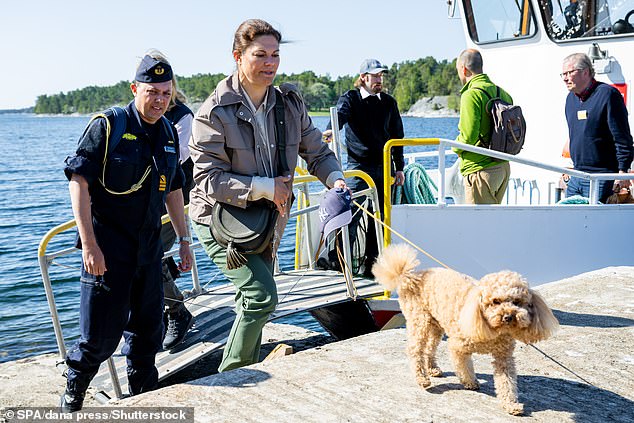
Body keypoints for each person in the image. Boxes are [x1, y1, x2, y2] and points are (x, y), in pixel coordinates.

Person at [189, 19, 348, 372]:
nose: (270, 63)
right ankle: (230, 377)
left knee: (252, 298)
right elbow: (206, 179)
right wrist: (266, 187)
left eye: (275, 54)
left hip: (266, 222)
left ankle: (246, 366)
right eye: (260, 54)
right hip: (219, 221)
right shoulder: (213, 111)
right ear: (238, 56)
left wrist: (335, 180)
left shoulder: (288, 103)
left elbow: (317, 152)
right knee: (261, 296)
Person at [61, 52, 193, 412]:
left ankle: (145, 398)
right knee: (99, 339)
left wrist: (184, 239)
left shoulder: (167, 132)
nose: (160, 100)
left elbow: (175, 189)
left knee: (147, 334)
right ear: (135, 88)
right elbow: (79, 183)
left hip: (148, 250)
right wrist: (88, 244)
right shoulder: (108, 126)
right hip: (107, 251)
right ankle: (73, 394)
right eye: (153, 92)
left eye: (166, 94)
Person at [323, 58, 404, 276]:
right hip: (359, 168)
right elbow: (340, 115)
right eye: (375, 76)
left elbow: (397, 135)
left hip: (384, 167)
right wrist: (331, 130)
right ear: (363, 78)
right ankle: (336, 262)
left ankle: (373, 266)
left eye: (381, 76)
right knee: (350, 214)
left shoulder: (389, 102)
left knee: (378, 219)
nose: (379, 80)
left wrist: (399, 167)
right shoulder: (351, 98)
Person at [561, 53, 633, 203]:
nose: (565, 78)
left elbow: (622, 137)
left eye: (569, 73)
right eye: (563, 74)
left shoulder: (608, 95)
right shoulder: (570, 99)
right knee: (571, 222)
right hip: (576, 176)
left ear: (585, 72)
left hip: (601, 177)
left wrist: (622, 173)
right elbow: (575, 135)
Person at [159, 72, 195, 351]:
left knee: (151, 258)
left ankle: (177, 312)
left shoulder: (182, 117)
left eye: (164, 90)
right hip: (145, 202)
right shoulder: (136, 118)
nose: (159, 97)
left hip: (174, 201)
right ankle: (159, 309)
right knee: (144, 260)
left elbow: (178, 157)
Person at [453, 49, 512, 204]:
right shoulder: (503, 93)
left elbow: (469, 136)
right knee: (492, 221)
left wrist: (455, 148)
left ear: (464, 69)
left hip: (480, 169)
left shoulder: (470, 94)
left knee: (478, 225)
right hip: (503, 167)